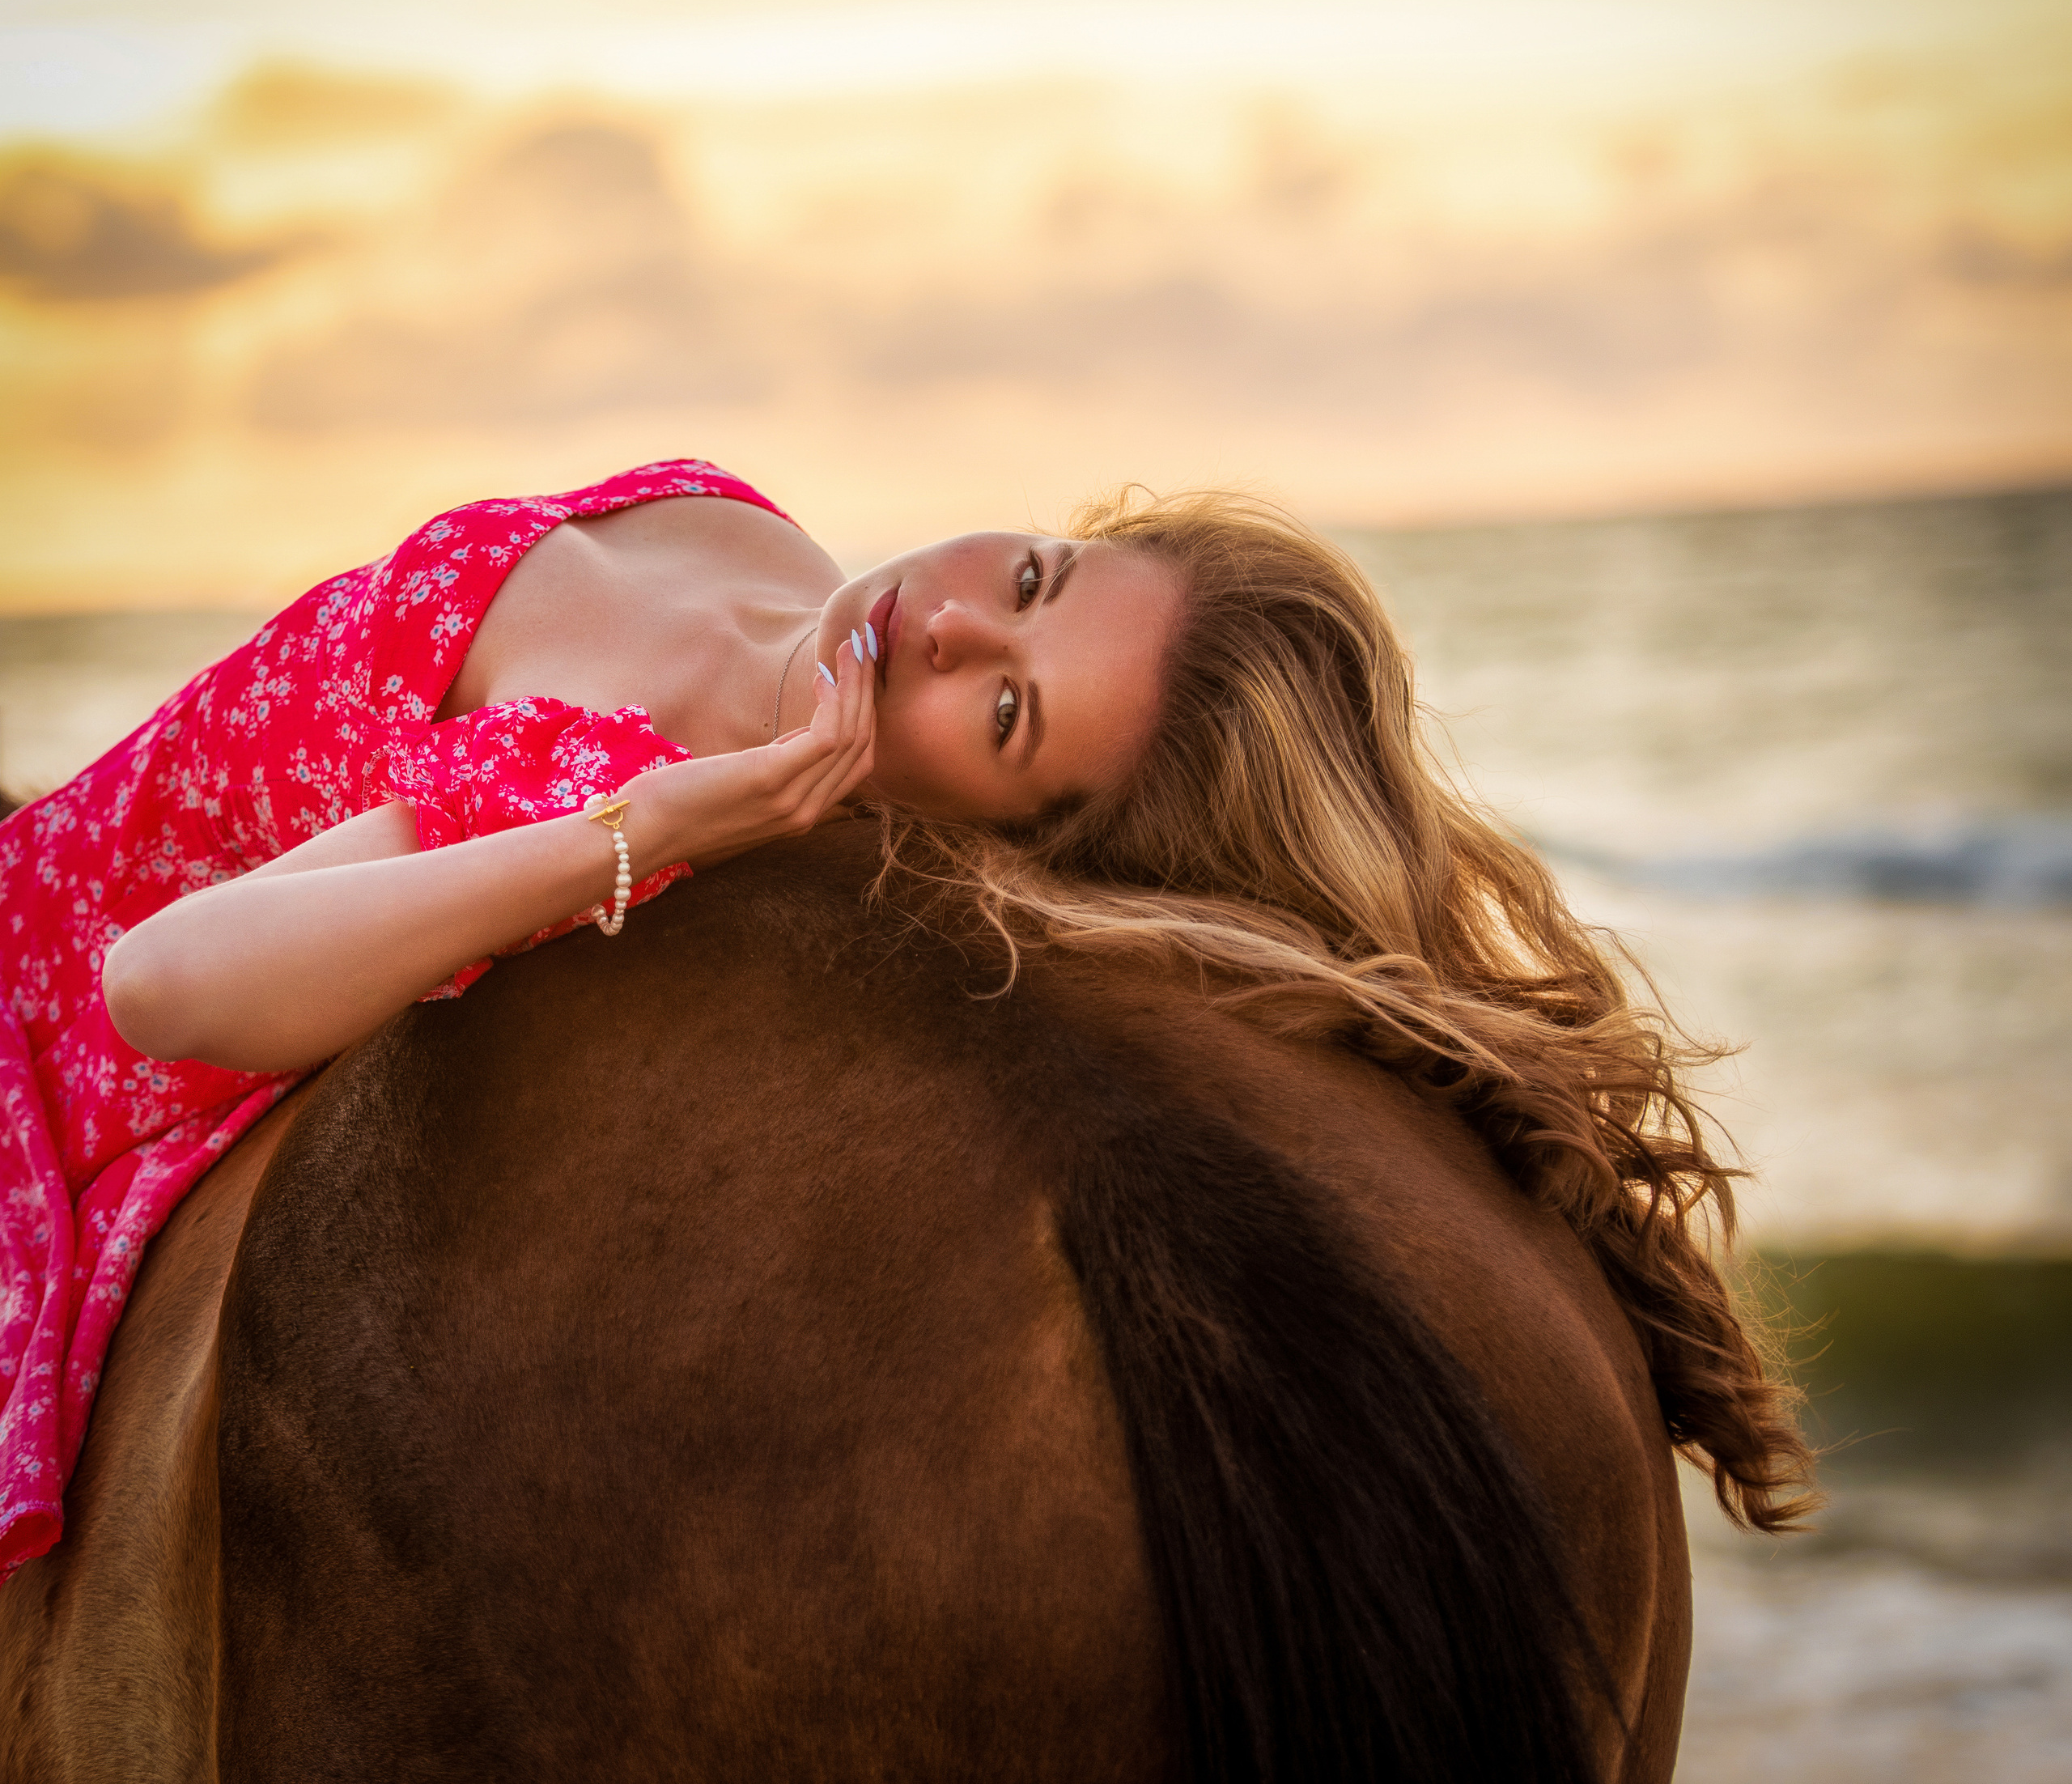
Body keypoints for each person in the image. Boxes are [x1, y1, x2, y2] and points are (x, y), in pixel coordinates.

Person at [0, 457, 1811, 1583]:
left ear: (1004, 835)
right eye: (1028, 576)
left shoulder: (622, 778)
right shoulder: (775, 551)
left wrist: (640, 832)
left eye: (1007, 718)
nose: (944, 630)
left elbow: (157, 984)